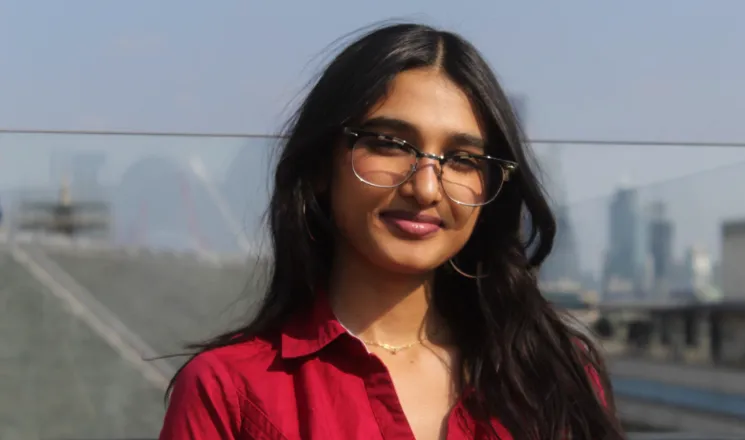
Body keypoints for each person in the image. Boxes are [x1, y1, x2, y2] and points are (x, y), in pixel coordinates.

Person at [159, 22, 624, 440]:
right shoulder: (230, 391)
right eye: (389, 145)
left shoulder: (554, 377)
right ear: (322, 165)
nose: (425, 188)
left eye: (463, 159)